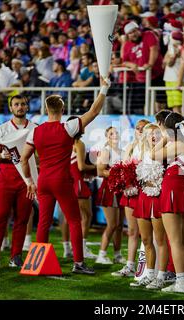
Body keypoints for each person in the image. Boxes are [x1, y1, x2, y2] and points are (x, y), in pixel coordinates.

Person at [21, 78, 111, 275]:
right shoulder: (68, 128)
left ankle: (37, 264)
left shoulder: (34, 131)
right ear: (62, 111)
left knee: (44, 222)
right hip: (61, 180)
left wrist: (29, 181)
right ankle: (78, 263)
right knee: (74, 220)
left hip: (43, 181)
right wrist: (104, 87)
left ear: (46, 110)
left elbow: (24, 159)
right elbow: (94, 112)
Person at [0, 95, 37, 267]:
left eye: (23, 104)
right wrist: (3, 155)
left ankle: (16, 256)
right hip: (6, 177)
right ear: (11, 108)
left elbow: (40, 155)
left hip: (26, 179)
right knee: (0, 217)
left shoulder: (35, 128)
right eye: (16, 104)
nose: (20, 107)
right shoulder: (2, 128)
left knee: (22, 218)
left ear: (27, 107)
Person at [151, 112, 184, 293]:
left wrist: (163, 139)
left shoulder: (178, 145)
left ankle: (180, 283)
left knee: (176, 241)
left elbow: (153, 154)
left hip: (173, 187)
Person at [132, 123, 170, 289]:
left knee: (160, 240)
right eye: (150, 134)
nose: (153, 136)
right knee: (146, 239)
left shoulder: (164, 153)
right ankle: (149, 275)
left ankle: (161, 276)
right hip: (143, 197)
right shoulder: (142, 152)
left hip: (158, 198)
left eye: (156, 133)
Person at [111, 119, 150, 277]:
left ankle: (148, 267)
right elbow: (124, 167)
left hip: (145, 192)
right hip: (131, 193)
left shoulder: (152, 147)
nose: (140, 131)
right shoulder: (130, 146)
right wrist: (124, 181)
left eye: (143, 128)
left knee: (147, 234)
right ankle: (130, 266)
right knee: (132, 231)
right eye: (138, 128)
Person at [95, 127, 125, 265]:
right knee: (112, 224)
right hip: (109, 189)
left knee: (119, 225)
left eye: (116, 133)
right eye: (111, 133)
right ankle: (101, 254)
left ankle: (117, 255)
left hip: (121, 190)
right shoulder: (106, 151)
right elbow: (101, 172)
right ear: (107, 137)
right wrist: (119, 175)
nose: (115, 135)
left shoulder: (123, 152)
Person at [69, 122, 97, 259]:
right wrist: (96, 166)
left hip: (68, 183)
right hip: (78, 183)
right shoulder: (78, 143)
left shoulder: (65, 143)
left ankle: (70, 249)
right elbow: (81, 167)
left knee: (73, 218)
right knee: (86, 217)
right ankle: (82, 249)